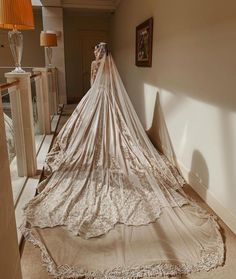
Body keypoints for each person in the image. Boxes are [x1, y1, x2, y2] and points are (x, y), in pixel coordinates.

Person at [21, 42, 224, 279]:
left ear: (98, 53)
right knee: (117, 131)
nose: (96, 54)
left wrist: (94, 95)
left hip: (97, 99)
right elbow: (114, 86)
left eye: (96, 51)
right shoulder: (110, 65)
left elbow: (93, 84)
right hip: (110, 101)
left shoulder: (95, 64)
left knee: (90, 129)